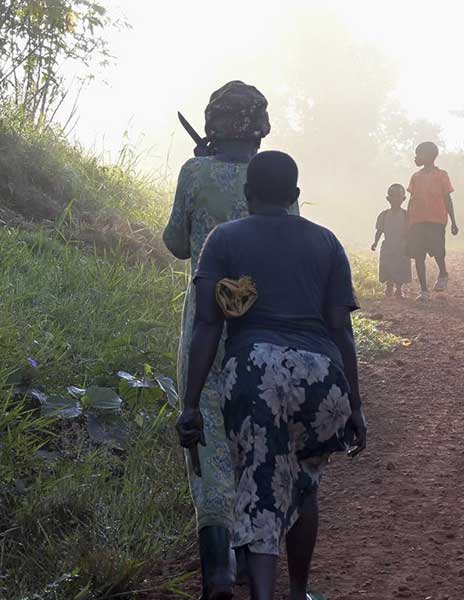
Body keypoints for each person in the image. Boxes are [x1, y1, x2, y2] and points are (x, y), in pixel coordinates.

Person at [177, 151, 368, 600]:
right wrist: (356, 406)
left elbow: (207, 325)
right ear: (295, 195)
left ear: (248, 194)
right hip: (321, 374)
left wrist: (191, 404)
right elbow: (342, 330)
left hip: (255, 371)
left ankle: (263, 595)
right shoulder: (326, 242)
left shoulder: (225, 239)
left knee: (259, 482)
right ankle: (298, 592)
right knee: (304, 483)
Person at [163, 80, 293, 599]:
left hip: (205, 330)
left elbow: (176, 243)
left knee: (209, 443)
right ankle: (250, 562)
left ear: (212, 125)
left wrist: (199, 172)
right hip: (263, 332)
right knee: (256, 442)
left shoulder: (195, 173)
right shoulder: (273, 181)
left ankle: (217, 569)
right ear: (260, 128)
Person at [406, 141, 459, 300]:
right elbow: (412, 199)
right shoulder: (415, 177)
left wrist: (453, 221)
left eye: (419, 154)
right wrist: (408, 220)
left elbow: (447, 198)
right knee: (418, 255)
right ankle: (424, 290)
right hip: (417, 221)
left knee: (438, 251)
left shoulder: (441, 175)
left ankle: (443, 273)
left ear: (429, 156)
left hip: (436, 220)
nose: (416, 157)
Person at [371, 184, 411, 299]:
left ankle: (399, 289)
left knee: (401, 266)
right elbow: (379, 230)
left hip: (402, 246)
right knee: (387, 265)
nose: (395, 199)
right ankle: (389, 286)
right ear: (388, 198)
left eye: (398, 196)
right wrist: (375, 242)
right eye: (393, 196)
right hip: (388, 245)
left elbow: (410, 231)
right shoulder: (383, 215)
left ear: (403, 199)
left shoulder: (406, 215)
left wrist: (411, 244)